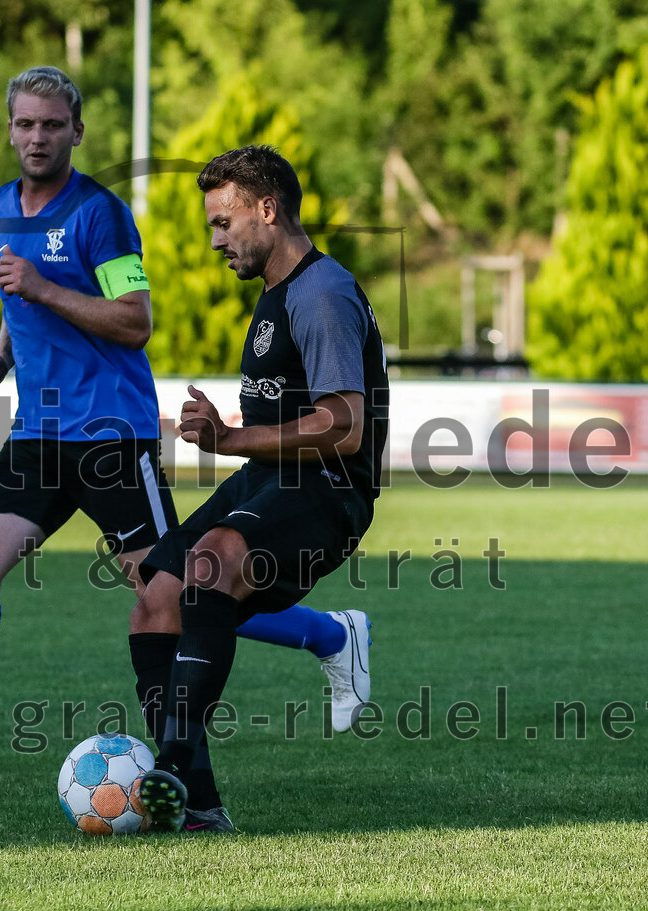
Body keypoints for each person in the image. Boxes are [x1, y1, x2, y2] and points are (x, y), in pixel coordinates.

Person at [0, 70, 358, 787]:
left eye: (52, 125)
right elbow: (15, 289)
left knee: (170, 591)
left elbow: (134, 320)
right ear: (9, 129)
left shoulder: (101, 214)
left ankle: (329, 633)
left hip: (108, 432)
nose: (37, 137)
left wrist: (42, 287)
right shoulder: (0, 206)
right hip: (37, 432)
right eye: (25, 124)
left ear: (77, 131)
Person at [130, 145, 389, 834]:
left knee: (212, 559)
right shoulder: (277, 295)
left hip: (330, 490)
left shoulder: (323, 292)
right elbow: (289, 413)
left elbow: (345, 426)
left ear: (267, 210)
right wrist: (228, 429)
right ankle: (198, 804)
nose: (215, 239)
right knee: (156, 593)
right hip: (273, 478)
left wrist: (229, 440)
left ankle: (174, 759)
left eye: (224, 222)